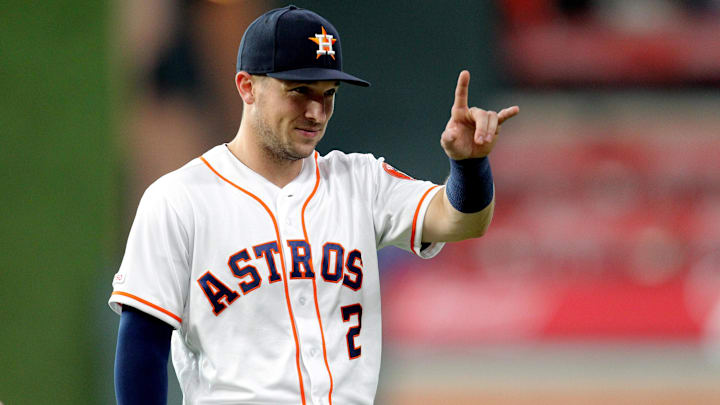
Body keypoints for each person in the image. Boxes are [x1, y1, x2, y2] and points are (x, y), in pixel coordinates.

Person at [109, 5, 519, 405]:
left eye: (328, 94)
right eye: (299, 91)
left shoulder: (361, 181)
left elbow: (460, 220)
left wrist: (468, 166)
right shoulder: (179, 199)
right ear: (247, 87)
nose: (316, 111)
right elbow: (143, 346)